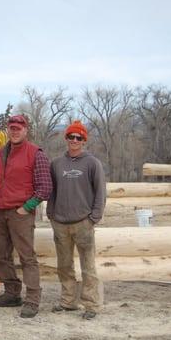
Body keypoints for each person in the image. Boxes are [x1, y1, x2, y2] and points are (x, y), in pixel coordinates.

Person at [0, 114, 52, 318]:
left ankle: (33, 298)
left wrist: (27, 208)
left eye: (19, 128)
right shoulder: (2, 151)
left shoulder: (36, 154)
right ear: (8, 129)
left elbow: (45, 188)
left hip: (21, 212)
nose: (15, 131)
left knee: (27, 256)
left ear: (26, 130)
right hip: (1, 210)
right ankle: (12, 292)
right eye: (12, 128)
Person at [47, 120, 106, 320]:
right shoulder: (56, 164)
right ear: (66, 138)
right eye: (71, 136)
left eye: (78, 137)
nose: (74, 140)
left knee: (88, 266)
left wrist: (94, 218)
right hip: (60, 222)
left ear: (84, 141)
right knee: (64, 265)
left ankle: (91, 305)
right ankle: (68, 301)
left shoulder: (92, 163)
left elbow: (100, 192)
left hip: (83, 222)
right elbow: (51, 191)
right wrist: (51, 214)